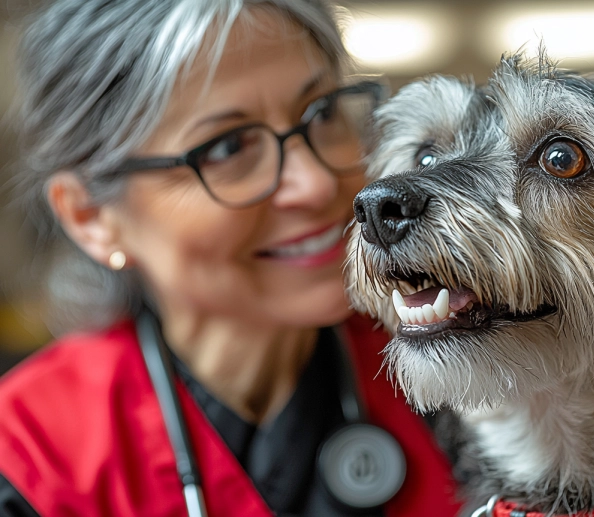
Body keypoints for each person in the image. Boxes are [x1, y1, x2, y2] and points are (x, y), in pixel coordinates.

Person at [0, 1, 462, 516]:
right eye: (227, 148)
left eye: (323, 112)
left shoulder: (463, 366)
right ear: (91, 216)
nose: (317, 182)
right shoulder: (30, 459)